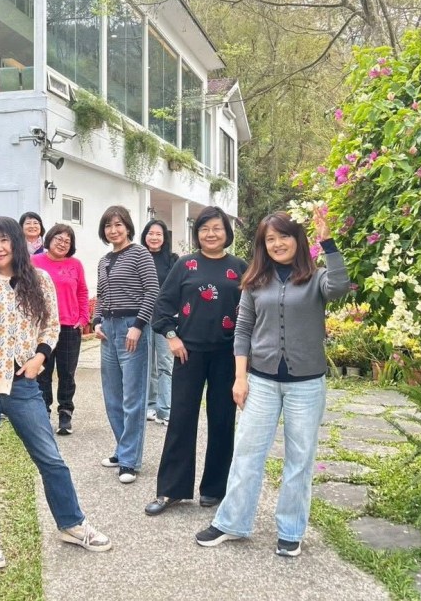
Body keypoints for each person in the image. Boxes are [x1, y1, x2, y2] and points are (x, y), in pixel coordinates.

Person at [0, 216, 111, 570]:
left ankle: (72, 524)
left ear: (17, 243)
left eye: (4, 240)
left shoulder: (39, 280)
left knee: (50, 458)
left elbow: (51, 325)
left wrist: (39, 358)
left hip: (22, 385)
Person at [195, 208, 350, 558]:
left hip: (306, 385)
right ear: (262, 245)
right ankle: (231, 523)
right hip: (261, 382)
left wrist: (327, 242)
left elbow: (340, 286)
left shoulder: (317, 278)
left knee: (300, 458)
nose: (277, 243)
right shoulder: (255, 281)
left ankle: (291, 530)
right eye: (270, 239)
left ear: (298, 239)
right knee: (247, 453)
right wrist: (240, 378)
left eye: (284, 236)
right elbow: (243, 331)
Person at [145, 206, 247, 516]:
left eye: (217, 228)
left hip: (227, 355)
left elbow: (252, 312)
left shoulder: (240, 268)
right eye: (204, 229)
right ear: (197, 233)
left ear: (227, 233)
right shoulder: (185, 265)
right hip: (188, 353)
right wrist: (172, 337)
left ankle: (215, 488)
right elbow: (162, 306)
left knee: (222, 420)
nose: (211, 234)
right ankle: (171, 490)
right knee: (181, 419)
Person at [93, 205, 159, 484]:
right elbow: (100, 294)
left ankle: (129, 460)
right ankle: (122, 450)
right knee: (113, 397)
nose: (113, 230)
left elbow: (152, 290)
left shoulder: (140, 253)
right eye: (108, 225)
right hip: (108, 330)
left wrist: (138, 326)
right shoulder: (104, 260)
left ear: (128, 227)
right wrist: (96, 321)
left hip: (132, 328)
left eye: (118, 224)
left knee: (133, 397)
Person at [32, 223, 89, 435]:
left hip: (69, 326)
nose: (62, 243)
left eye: (67, 241)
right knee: (42, 372)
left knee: (67, 373)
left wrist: (83, 318)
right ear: (49, 239)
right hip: (42, 327)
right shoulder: (34, 262)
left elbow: (82, 292)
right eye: (59, 239)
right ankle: (43, 412)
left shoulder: (75, 264)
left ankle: (65, 413)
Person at [140, 218, 178, 425]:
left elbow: (176, 290)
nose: (154, 237)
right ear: (144, 236)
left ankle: (165, 409)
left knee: (165, 364)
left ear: (164, 238)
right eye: (151, 233)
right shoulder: (138, 257)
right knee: (147, 365)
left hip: (164, 319)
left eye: (158, 234)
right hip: (143, 318)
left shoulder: (173, 260)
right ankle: (150, 405)